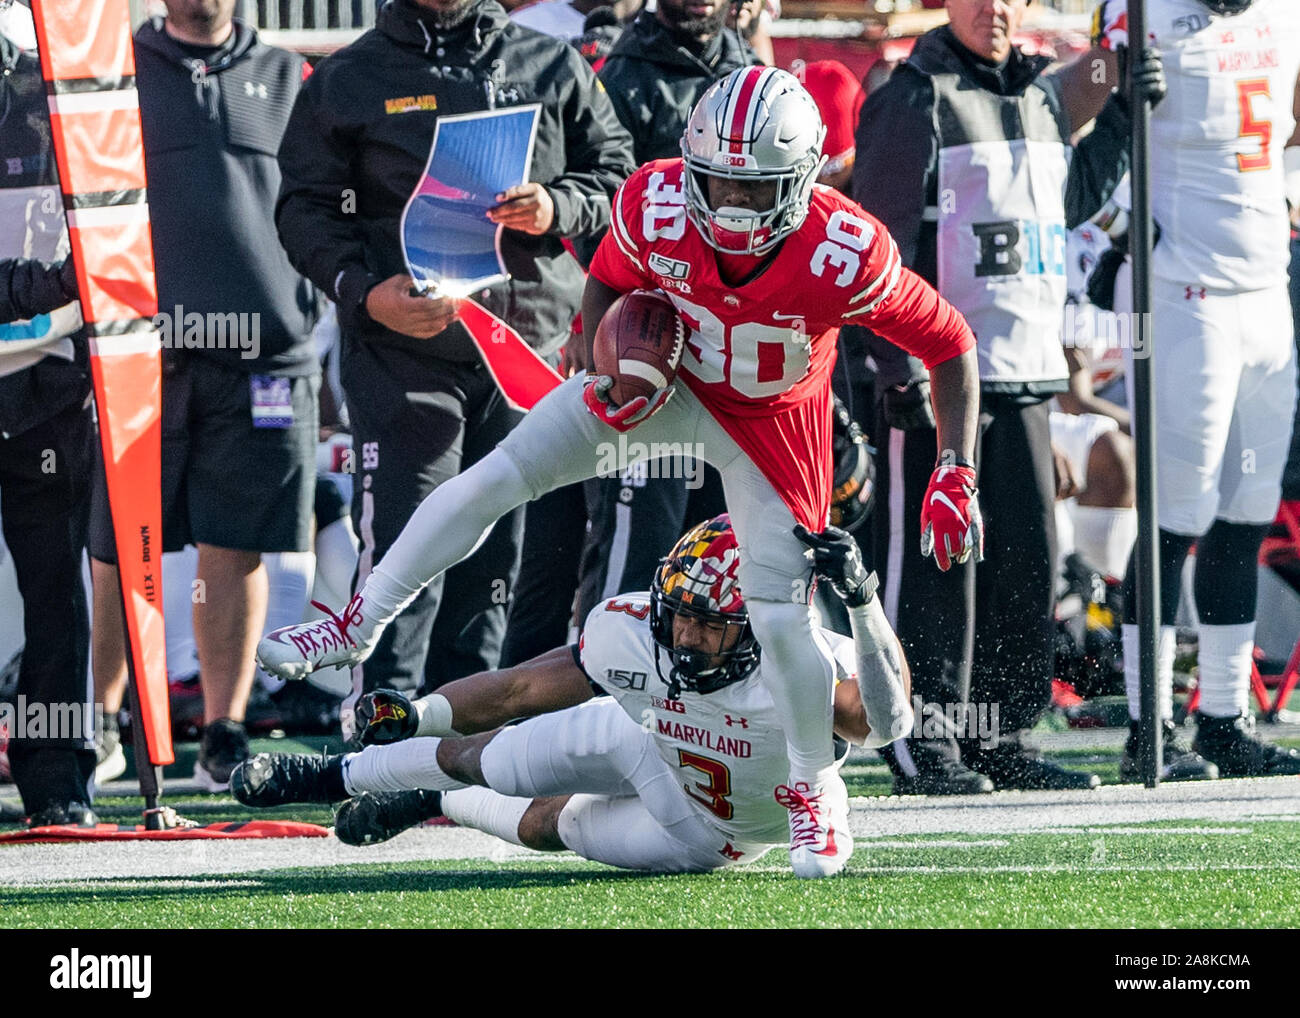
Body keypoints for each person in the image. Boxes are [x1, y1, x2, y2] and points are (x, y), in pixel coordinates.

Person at [257, 67, 982, 878]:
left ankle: (812, 789)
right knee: (502, 473)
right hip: (667, 388)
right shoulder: (656, 201)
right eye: (720, 185)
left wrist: (957, 470)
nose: (734, 209)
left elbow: (950, 341)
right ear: (691, 168)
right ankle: (357, 621)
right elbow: (605, 281)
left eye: (758, 190)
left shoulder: (842, 250)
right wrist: (605, 355)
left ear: (803, 179)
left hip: (774, 424)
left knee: (778, 610)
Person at [274, 0, 634, 734]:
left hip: (522, 349)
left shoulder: (551, 62)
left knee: (495, 550)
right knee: (407, 541)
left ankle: (462, 745)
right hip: (404, 350)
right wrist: (364, 294)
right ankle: (379, 738)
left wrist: (556, 207)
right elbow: (303, 210)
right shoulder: (348, 75)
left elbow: (619, 176)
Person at [235, 517, 911, 871]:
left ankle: (432, 802)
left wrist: (864, 604)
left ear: (761, 629)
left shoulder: (808, 670)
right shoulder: (634, 633)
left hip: (716, 833)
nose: (685, 634)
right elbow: (515, 691)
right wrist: (421, 712)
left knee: (541, 826)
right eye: (680, 612)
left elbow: (890, 719)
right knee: (486, 755)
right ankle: (329, 776)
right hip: (653, 740)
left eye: (709, 623)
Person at [852, 0, 1141, 795]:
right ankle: (925, 739)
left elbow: (1068, 200)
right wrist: (899, 369)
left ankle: (1002, 734)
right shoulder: (913, 94)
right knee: (940, 569)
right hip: (943, 380)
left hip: (1028, 371)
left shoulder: (1043, 95)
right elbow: (879, 244)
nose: (996, 9)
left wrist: (1120, 119)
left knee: (1023, 566)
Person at [87, 0, 320, 792]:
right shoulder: (114, 72)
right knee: (121, 544)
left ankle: (225, 731)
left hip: (266, 355)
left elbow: (322, 201)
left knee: (236, 544)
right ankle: (103, 724)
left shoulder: (291, 74)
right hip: (141, 354)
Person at [1093, 0, 1300, 780]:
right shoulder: (1143, 10)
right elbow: (1080, 116)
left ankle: (1222, 718)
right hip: (1183, 293)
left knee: (1245, 514)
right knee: (1176, 514)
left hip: (1265, 291)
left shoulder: (1286, 10)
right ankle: (1151, 728)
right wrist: (1115, 95)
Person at [569, 0, 759, 630]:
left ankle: (707, 720)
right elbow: (595, 220)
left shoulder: (749, 70)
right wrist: (618, 321)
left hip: (736, 362)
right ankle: (601, 710)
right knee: (635, 552)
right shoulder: (618, 76)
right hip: (650, 355)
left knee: (731, 557)